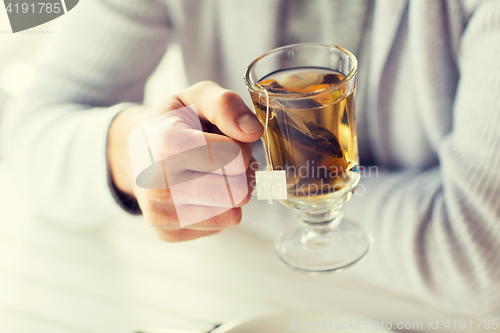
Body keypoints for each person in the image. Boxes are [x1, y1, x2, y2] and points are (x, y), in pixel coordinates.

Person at [1, 0, 499, 316]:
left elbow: (478, 252)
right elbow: (31, 136)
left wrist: (247, 186)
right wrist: (135, 152)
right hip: (236, 292)